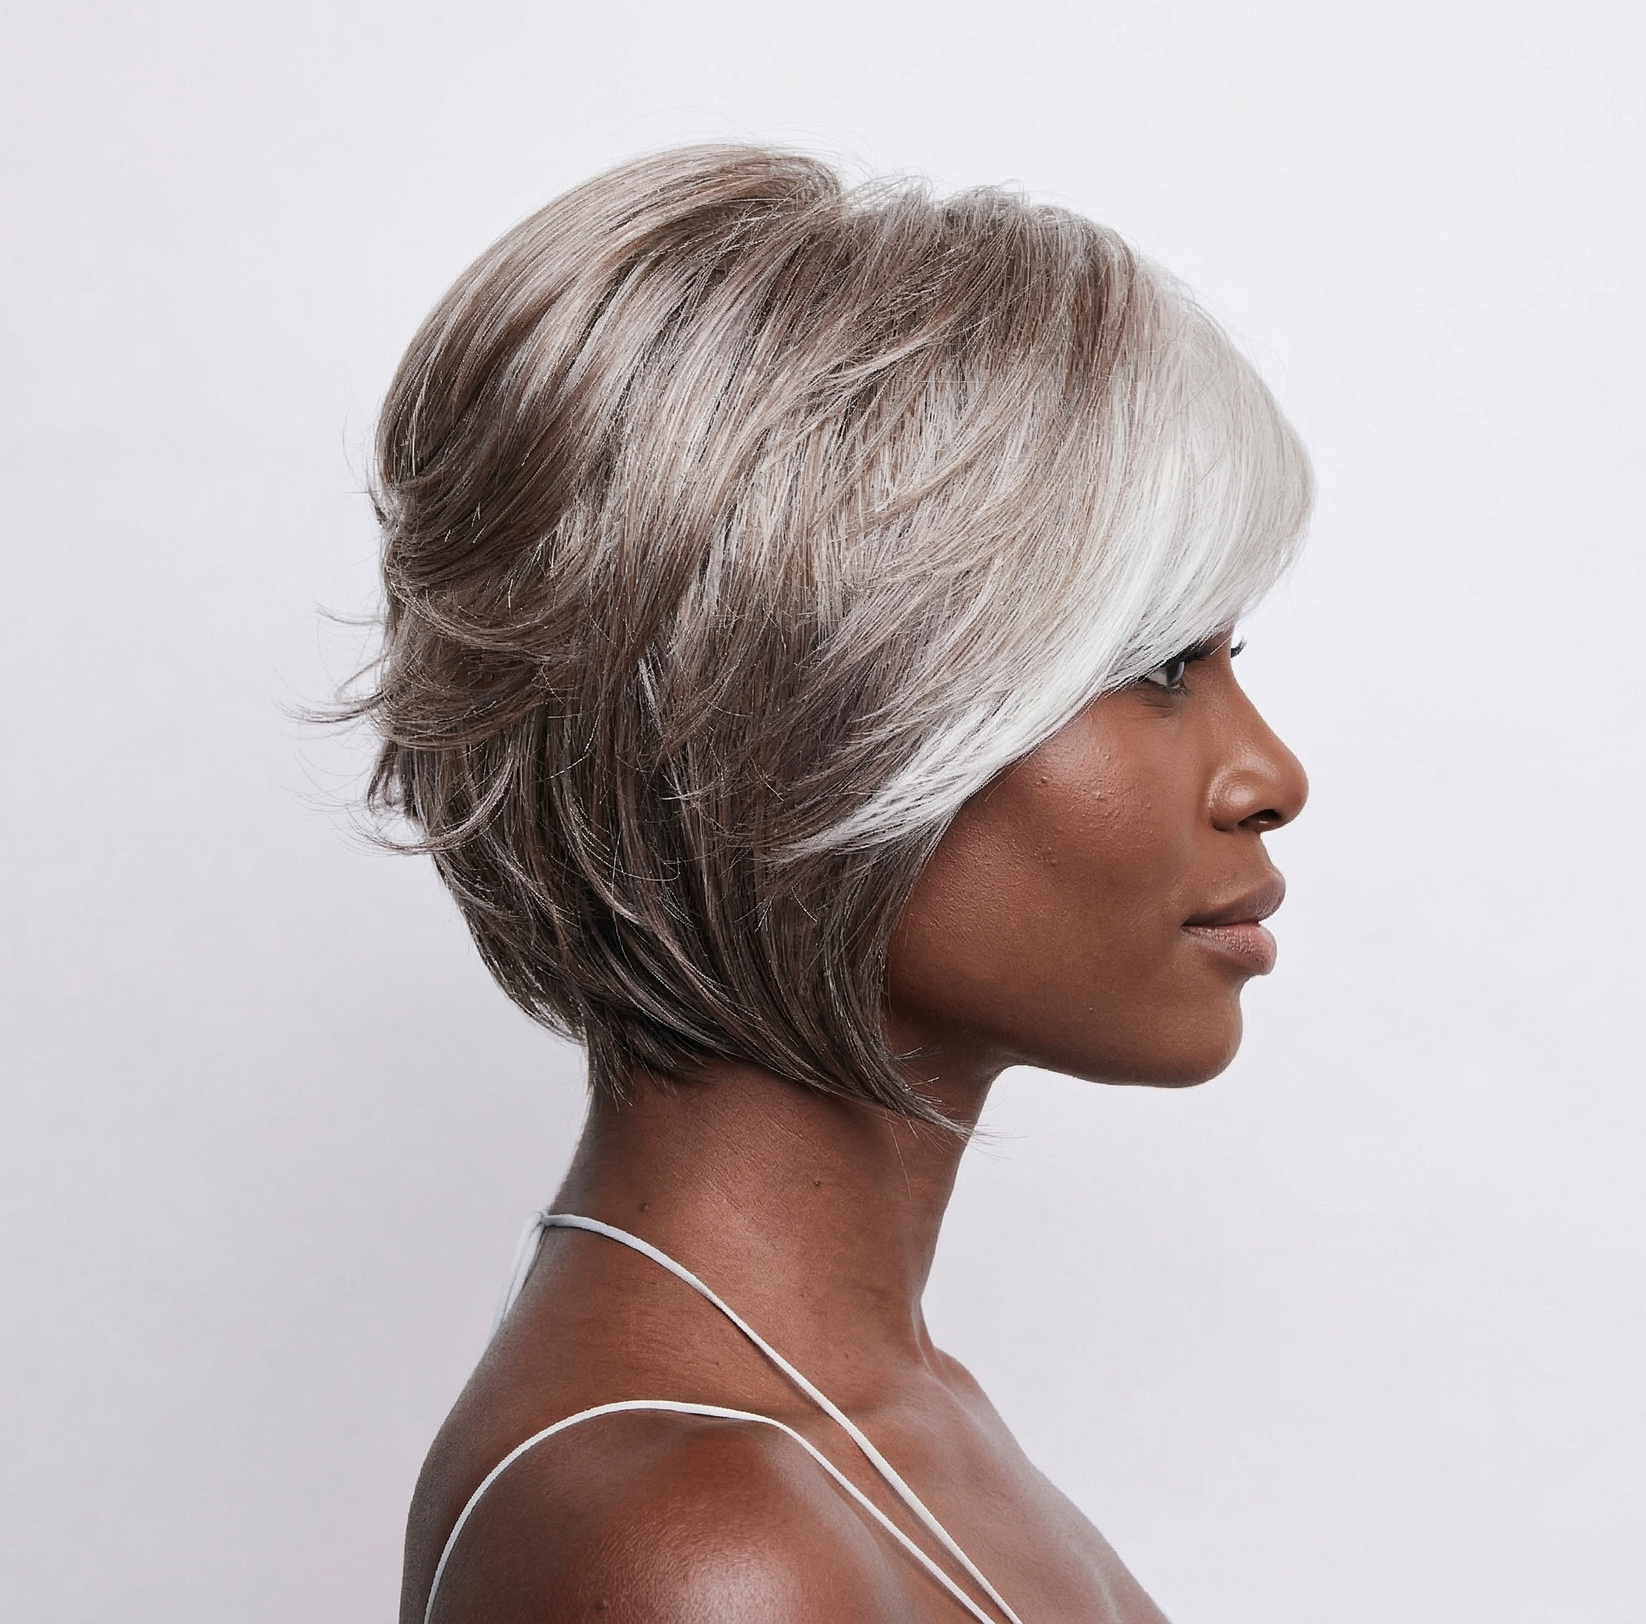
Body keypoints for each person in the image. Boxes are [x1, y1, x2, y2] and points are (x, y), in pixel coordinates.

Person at [357, 144, 1311, 1624]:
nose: (1269, 774)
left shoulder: (888, 1419)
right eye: (1155, 665)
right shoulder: (708, 1554)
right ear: (804, 722)